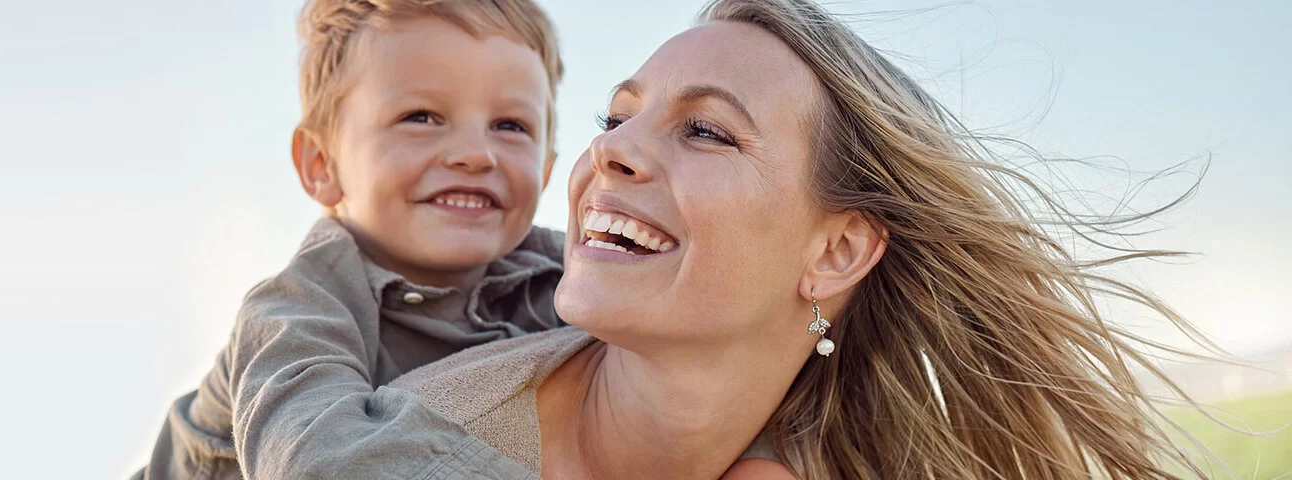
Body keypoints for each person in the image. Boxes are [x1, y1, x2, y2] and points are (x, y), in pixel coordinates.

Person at [386, 0, 1221, 478]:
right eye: (617, 115)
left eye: (706, 132)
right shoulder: (423, 446)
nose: (608, 149)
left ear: (838, 252)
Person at [132, 0, 570, 478]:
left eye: (511, 126)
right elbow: (318, 457)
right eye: (421, 117)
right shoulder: (299, 307)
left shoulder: (570, 280)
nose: (475, 153)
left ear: (546, 168)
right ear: (322, 165)